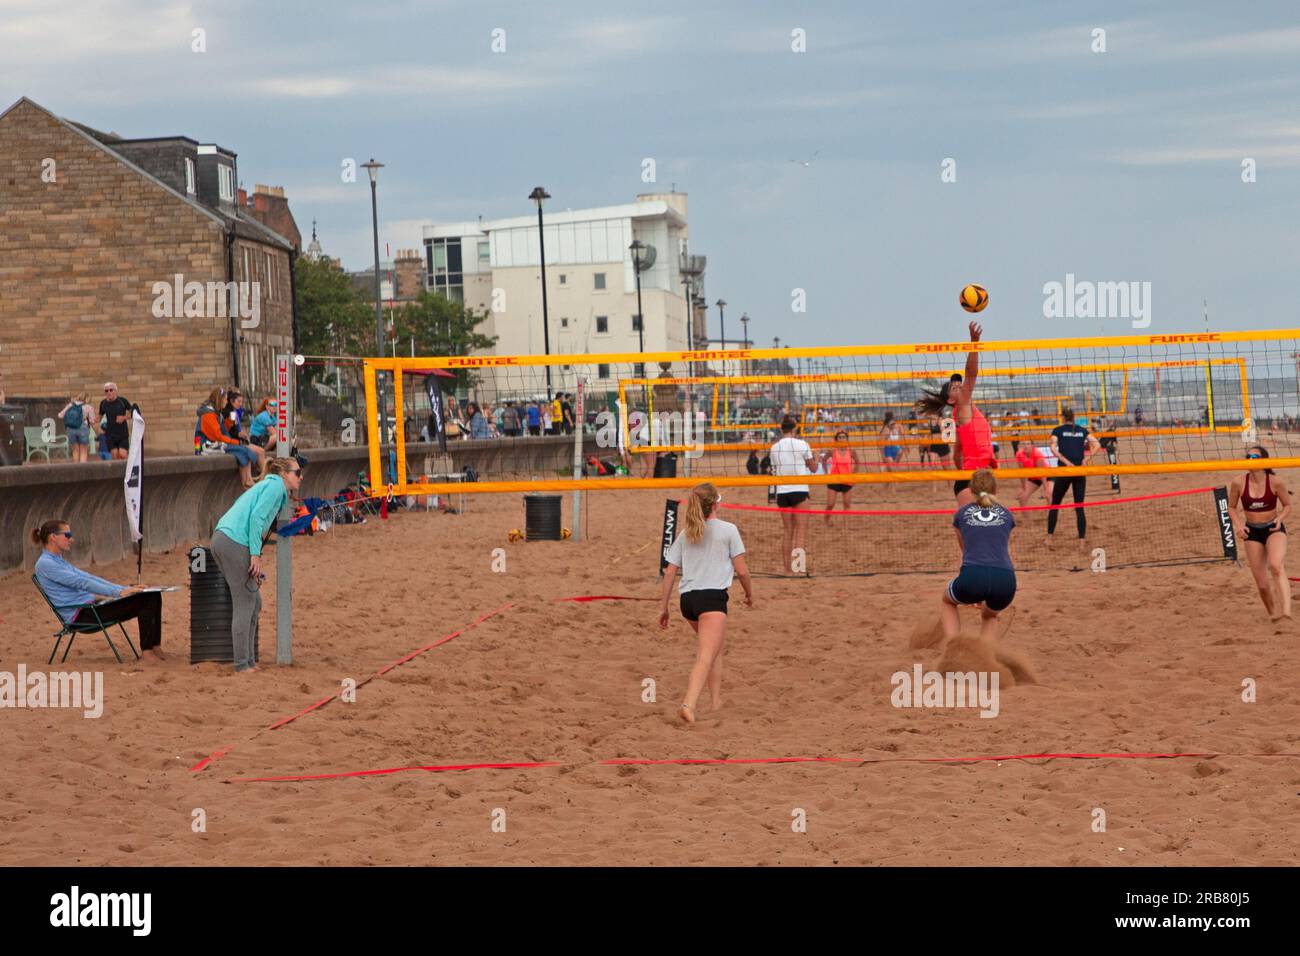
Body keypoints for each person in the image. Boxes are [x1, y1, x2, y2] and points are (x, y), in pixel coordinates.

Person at [657, 483, 753, 724]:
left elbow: (669, 573)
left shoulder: (685, 532)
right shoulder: (728, 530)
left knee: (715, 649)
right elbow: (742, 571)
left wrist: (664, 607)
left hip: (687, 601)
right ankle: (688, 704)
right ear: (716, 504)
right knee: (705, 656)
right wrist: (750, 594)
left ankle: (716, 703)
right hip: (712, 600)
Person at [210, 458, 304, 673]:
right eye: (297, 473)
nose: (301, 477)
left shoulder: (274, 488)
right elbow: (256, 519)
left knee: (255, 602)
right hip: (233, 542)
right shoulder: (275, 486)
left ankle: (249, 661)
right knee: (245, 603)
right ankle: (242, 664)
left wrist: (254, 555)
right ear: (284, 473)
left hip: (226, 540)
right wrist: (255, 556)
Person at [32, 519, 165, 662]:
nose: (71, 539)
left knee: (153, 594)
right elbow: (82, 582)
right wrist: (118, 592)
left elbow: (88, 577)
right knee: (146, 600)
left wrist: (124, 589)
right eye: (67, 535)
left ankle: (155, 646)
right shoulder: (46, 563)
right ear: (53, 537)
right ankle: (147, 652)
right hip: (82, 615)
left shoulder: (57, 559)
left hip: (90, 607)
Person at [914, 321, 993, 506]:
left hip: (973, 475)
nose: (958, 384)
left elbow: (957, 452)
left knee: (974, 524)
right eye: (953, 386)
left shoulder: (961, 413)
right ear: (950, 399)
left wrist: (962, 471)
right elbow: (971, 373)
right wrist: (974, 343)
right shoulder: (963, 404)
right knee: (977, 523)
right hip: (975, 477)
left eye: (959, 383)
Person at [940, 468, 1016, 644]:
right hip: (1005, 581)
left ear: (971, 490)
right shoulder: (1007, 514)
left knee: (947, 601)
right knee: (990, 615)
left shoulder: (960, 514)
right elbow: (1000, 545)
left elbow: (965, 549)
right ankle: (984, 656)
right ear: (995, 490)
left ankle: (954, 647)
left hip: (974, 575)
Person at [1228, 446, 1292, 620]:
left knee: (1276, 566)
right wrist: (1239, 525)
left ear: (1264, 460)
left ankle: (1286, 612)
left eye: (1254, 456)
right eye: (1247, 456)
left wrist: (1280, 518)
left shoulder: (1275, 482)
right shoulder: (1239, 482)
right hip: (1252, 532)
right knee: (1262, 585)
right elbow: (1231, 507)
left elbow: (1287, 505)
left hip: (1273, 528)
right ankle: (1273, 615)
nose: (1249, 459)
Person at [769, 415, 816, 573]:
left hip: (782, 492)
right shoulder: (802, 444)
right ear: (795, 428)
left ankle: (787, 569)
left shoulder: (774, 447)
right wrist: (815, 457)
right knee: (800, 532)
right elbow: (814, 468)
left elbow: (774, 468)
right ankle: (799, 569)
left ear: (781, 429)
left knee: (787, 531)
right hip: (800, 489)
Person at [1047, 407, 1101, 541]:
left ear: (1063, 418)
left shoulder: (1057, 430)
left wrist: (1065, 461)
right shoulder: (1082, 430)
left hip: (1065, 470)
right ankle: (1082, 539)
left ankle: (1049, 537)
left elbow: (1052, 448)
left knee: (1055, 505)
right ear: (1073, 417)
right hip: (1079, 470)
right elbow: (1097, 444)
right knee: (1079, 506)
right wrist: (1086, 459)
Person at [195, 387, 256, 487]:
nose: (226, 401)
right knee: (242, 450)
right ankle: (246, 481)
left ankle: (247, 481)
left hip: (217, 443)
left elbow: (223, 430)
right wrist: (235, 442)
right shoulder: (209, 414)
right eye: (225, 399)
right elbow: (218, 436)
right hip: (207, 445)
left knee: (243, 450)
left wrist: (230, 421)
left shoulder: (217, 413)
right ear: (219, 399)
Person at [820, 429, 860, 517]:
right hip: (834, 479)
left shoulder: (851, 451)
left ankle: (845, 525)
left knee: (847, 505)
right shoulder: (832, 450)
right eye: (840, 437)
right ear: (836, 439)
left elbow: (857, 462)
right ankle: (826, 520)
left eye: (844, 437)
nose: (842, 439)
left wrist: (854, 474)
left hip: (847, 480)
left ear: (847, 439)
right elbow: (824, 461)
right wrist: (826, 473)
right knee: (830, 504)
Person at [58, 393, 96, 463]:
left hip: (70, 428)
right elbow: (92, 421)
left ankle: (76, 469)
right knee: (83, 450)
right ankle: (82, 469)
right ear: (88, 399)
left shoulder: (70, 405)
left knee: (75, 450)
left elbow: (60, 415)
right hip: (83, 428)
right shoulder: (88, 407)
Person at [98, 382, 132, 460]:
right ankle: (117, 472)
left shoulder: (122, 401)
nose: (109, 392)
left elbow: (133, 413)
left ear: (115, 391)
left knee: (122, 455)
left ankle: (127, 471)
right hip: (110, 434)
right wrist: (94, 420)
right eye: (106, 391)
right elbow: (99, 416)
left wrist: (124, 417)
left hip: (122, 433)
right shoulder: (103, 403)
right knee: (114, 456)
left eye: (111, 390)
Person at [1014, 442, 1054, 507]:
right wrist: (1023, 487)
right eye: (1023, 444)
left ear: (1032, 446)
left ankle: (1051, 516)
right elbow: (1021, 473)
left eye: (1028, 444)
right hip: (1034, 477)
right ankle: (1027, 517)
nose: (1025, 446)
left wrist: (1045, 488)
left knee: (1048, 495)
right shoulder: (1019, 454)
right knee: (1022, 497)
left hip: (1047, 475)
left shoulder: (1037, 454)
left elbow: (1042, 473)